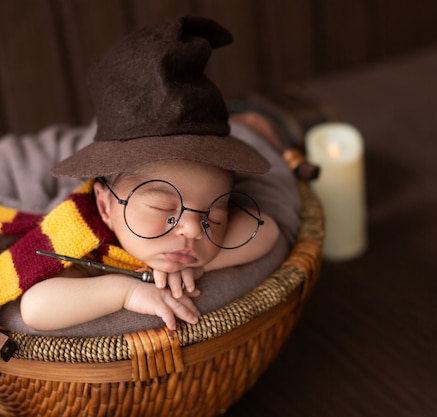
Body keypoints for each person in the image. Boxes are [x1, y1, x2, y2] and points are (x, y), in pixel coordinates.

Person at [18, 17, 280, 331]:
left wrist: (200, 266)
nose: (194, 231)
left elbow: (267, 231)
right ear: (105, 207)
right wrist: (125, 291)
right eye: (164, 210)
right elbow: (35, 308)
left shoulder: (189, 240)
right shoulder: (88, 241)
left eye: (214, 217)